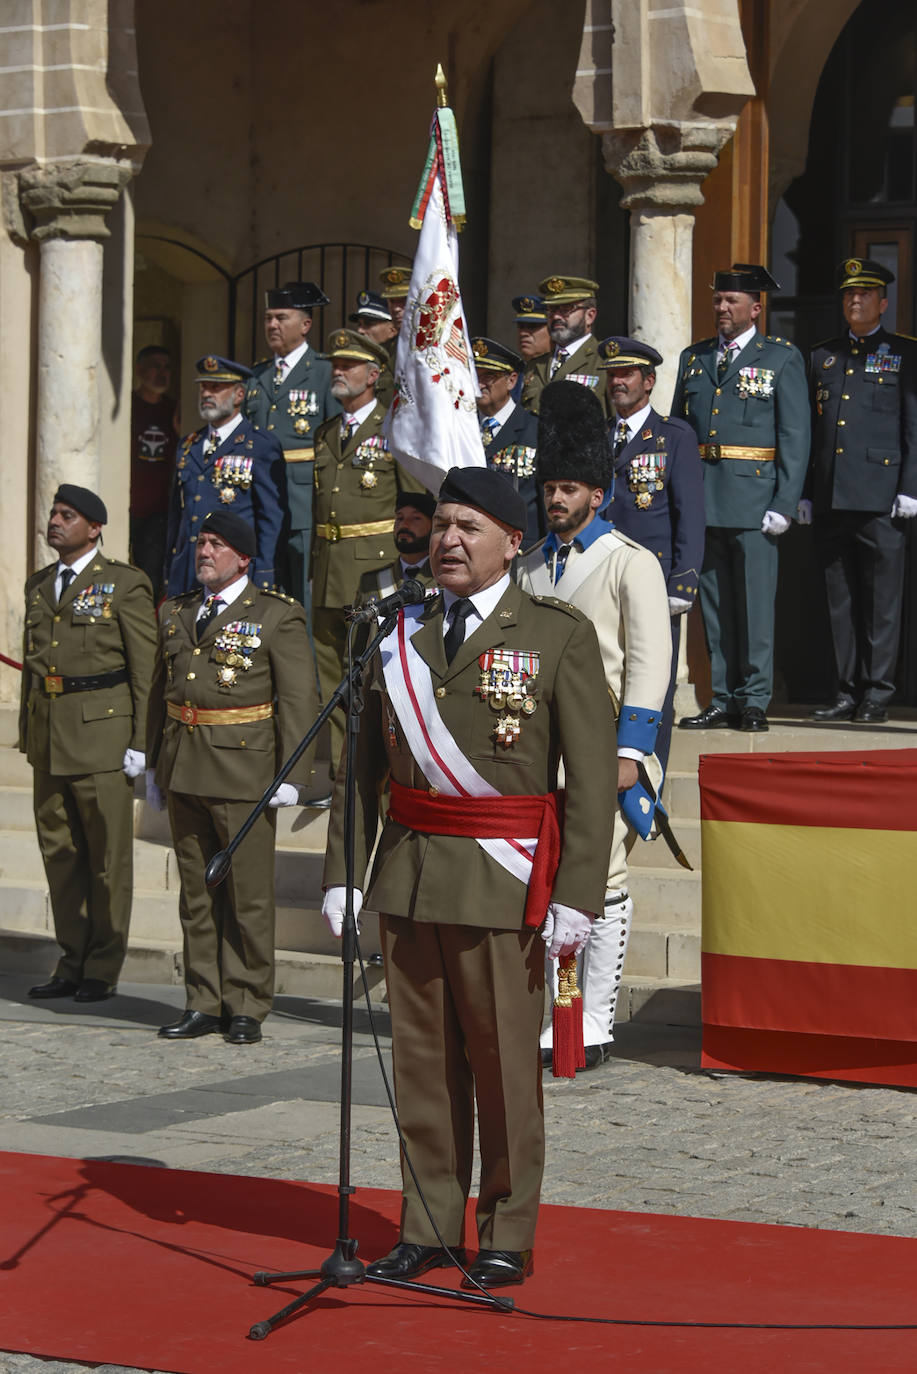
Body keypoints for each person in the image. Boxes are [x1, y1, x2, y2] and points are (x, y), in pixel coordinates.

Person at [322, 466, 616, 1288]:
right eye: (442, 523)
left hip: (503, 879)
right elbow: (361, 769)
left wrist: (576, 895)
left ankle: (506, 1230)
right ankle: (424, 1223)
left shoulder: (554, 633)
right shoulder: (395, 630)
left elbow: (589, 781)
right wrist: (346, 870)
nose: (447, 540)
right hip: (411, 875)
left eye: (468, 528)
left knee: (500, 1069)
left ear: (511, 543)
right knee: (422, 1064)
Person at [517, 382, 671, 1069]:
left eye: (570, 486)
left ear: (596, 493)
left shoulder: (629, 563)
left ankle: (592, 1022)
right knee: (544, 879)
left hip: (602, 746)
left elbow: (648, 664)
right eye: (550, 485)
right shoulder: (525, 569)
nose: (556, 498)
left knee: (599, 877)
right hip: (531, 749)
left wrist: (632, 753)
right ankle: (550, 1010)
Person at [147, 511, 317, 1044]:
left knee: (246, 895)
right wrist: (153, 762)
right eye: (201, 542)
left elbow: (298, 699)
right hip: (183, 766)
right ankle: (203, 999)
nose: (204, 552)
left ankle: (246, 1001)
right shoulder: (176, 612)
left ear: (243, 557)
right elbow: (161, 693)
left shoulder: (274, 615)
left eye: (216, 545)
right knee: (197, 894)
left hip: (244, 771)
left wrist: (294, 773)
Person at [20, 485, 157, 1002]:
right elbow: (36, 667)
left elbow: (145, 668)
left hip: (103, 736)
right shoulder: (39, 585)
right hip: (48, 738)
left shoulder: (124, 584)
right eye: (54, 513)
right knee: (60, 854)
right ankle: (71, 959)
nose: (55, 521)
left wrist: (142, 741)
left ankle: (102, 964)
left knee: (106, 857)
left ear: (94, 527)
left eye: (67, 515)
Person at [673, 263, 810, 732]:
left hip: (755, 500)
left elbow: (795, 434)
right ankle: (723, 696)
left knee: (754, 606)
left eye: (732, 301)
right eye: (718, 299)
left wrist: (785, 501)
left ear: (756, 308)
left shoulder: (781, 358)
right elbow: (679, 432)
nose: (722, 307)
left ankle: (754, 698)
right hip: (706, 498)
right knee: (713, 606)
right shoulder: (694, 358)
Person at [802, 258, 917, 723]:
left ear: (883, 303)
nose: (855, 300)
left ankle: (877, 692)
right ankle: (846, 691)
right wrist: (806, 491)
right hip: (832, 496)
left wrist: (910, 487)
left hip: (881, 498)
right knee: (840, 601)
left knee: (881, 604)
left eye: (865, 294)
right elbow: (811, 430)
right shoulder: (822, 356)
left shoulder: (906, 353)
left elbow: (914, 425)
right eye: (849, 294)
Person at [312, 328, 424, 776]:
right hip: (326, 570)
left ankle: (382, 769)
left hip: (375, 571)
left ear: (374, 375)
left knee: (373, 676)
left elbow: (415, 506)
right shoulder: (325, 433)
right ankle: (345, 772)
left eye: (348, 365)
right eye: (335, 365)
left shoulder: (393, 428)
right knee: (331, 679)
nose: (337, 372)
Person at [600, 336, 705, 769]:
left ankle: (648, 774)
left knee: (651, 681)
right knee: (605, 677)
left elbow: (690, 514)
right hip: (604, 578)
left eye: (626, 374)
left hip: (655, 584)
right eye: (612, 374)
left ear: (649, 381)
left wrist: (683, 580)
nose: (618, 382)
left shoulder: (674, 436)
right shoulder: (599, 436)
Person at [244, 282, 339, 616]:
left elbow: (333, 444)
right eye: (268, 318)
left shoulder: (325, 372)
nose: (272, 325)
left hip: (303, 505)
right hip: (260, 501)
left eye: (281, 318)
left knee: (303, 598)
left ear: (305, 325)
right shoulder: (255, 377)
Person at [165, 355, 287, 598]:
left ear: (239, 395)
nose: (207, 394)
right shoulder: (189, 445)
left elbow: (270, 519)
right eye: (204, 387)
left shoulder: (260, 445)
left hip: (233, 573)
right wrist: (170, 569)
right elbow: (176, 517)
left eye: (216, 388)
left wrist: (264, 572)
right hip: (188, 571)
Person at [471, 336, 543, 550]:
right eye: (475, 376)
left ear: (511, 380)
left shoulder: (534, 429)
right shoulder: (460, 428)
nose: (480, 384)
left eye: (489, 377)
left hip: (521, 550)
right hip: (471, 548)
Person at [522, 275, 610, 417]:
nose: (556, 317)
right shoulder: (535, 366)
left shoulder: (603, 362)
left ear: (590, 316)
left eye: (566, 309)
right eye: (551, 309)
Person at [129, 344, 179, 598]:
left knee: (150, 577)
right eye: (155, 367)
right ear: (139, 370)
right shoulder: (129, 407)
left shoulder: (174, 411)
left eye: (167, 368)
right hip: (126, 507)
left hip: (158, 513)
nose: (162, 374)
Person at [357, 489, 437, 602]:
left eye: (416, 518)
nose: (404, 524)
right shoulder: (371, 581)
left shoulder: (443, 578)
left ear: (433, 526)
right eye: (400, 518)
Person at [350, 289, 398, 410]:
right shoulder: (358, 362)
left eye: (368, 324)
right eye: (359, 324)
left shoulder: (399, 364)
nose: (360, 331)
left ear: (392, 330)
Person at [513, 294, 550, 410]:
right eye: (521, 326)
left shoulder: (557, 370)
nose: (524, 333)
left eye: (533, 326)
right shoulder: (514, 374)